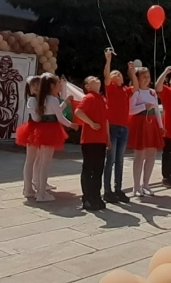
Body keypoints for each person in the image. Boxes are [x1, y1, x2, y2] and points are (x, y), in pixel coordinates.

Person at [34, 73, 79, 202]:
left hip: (43, 129)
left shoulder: (44, 98)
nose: (60, 85)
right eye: (59, 83)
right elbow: (60, 117)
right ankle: (42, 193)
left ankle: (39, 189)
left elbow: (55, 111)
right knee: (46, 163)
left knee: (42, 161)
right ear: (52, 86)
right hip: (50, 130)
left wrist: (65, 102)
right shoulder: (52, 99)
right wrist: (72, 125)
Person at [103, 51, 135, 204]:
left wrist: (131, 71)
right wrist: (108, 60)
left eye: (120, 74)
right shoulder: (111, 88)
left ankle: (118, 189)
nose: (118, 75)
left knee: (120, 160)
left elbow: (135, 86)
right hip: (113, 127)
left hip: (124, 127)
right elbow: (106, 76)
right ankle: (107, 190)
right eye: (116, 74)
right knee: (110, 160)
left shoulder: (125, 91)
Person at [128, 66, 165, 197]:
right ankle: (136, 186)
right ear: (137, 79)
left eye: (148, 76)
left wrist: (161, 126)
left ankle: (146, 184)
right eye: (143, 76)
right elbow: (130, 110)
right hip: (140, 124)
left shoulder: (152, 92)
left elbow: (157, 111)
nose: (146, 79)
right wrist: (143, 106)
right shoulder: (136, 93)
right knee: (139, 156)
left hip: (152, 124)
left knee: (151, 155)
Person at [75, 76, 109, 211]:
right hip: (90, 139)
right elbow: (78, 111)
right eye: (92, 79)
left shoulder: (102, 98)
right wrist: (90, 123)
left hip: (100, 139)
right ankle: (88, 197)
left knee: (98, 169)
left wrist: (108, 138)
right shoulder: (88, 97)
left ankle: (95, 195)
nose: (96, 79)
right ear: (87, 86)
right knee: (89, 168)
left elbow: (105, 119)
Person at [18, 76, 40, 199]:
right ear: (29, 88)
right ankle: (27, 187)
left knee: (35, 159)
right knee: (30, 160)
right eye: (33, 85)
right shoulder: (32, 100)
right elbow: (36, 118)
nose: (36, 87)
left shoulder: (37, 99)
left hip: (37, 130)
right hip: (33, 130)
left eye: (38, 85)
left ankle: (31, 185)